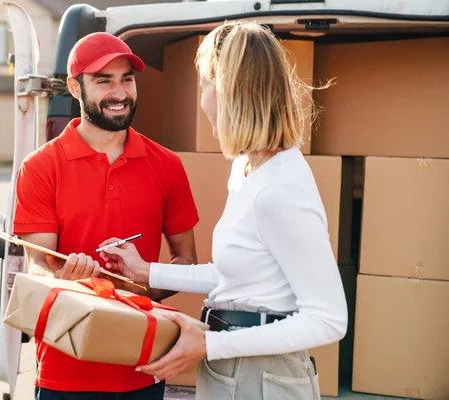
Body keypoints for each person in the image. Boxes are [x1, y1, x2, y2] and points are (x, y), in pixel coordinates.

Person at [99, 21, 348, 400]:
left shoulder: (280, 188)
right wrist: (144, 270)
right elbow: (238, 275)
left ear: (231, 92)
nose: (202, 101)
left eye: (204, 87)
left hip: (262, 375)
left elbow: (328, 320)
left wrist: (211, 346)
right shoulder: (247, 170)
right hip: (232, 363)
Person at [11, 32, 199, 400]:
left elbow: (186, 261)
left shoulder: (167, 166)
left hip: (142, 367)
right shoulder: (40, 167)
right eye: (103, 81)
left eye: (126, 79)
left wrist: (141, 280)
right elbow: (37, 265)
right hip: (64, 369)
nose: (119, 93)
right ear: (75, 88)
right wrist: (66, 279)